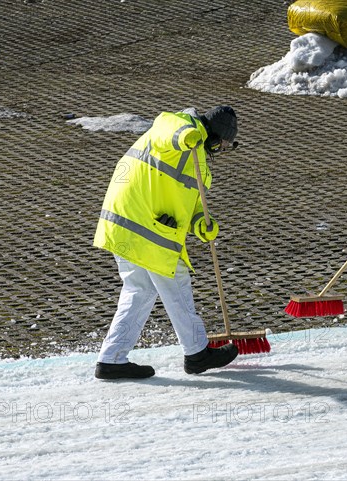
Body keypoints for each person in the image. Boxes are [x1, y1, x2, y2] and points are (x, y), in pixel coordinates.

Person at [93, 105, 240, 379]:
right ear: (212, 134)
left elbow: (194, 205)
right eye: (220, 143)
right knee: (176, 281)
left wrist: (201, 225)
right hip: (143, 223)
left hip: (128, 223)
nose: (219, 149)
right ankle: (197, 352)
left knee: (140, 290)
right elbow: (168, 132)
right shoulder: (179, 126)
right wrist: (186, 135)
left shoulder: (200, 163)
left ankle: (111, 359)